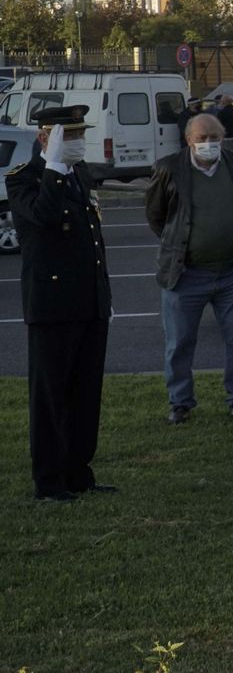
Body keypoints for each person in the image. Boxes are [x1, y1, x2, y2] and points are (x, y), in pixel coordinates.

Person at [8, 106, 115, 502]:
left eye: (80, 134)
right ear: (45, 137)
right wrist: (53, 166)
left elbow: (92, 237)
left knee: (86, 393)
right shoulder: (24, 179)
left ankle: (78, 471)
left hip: (89, 301)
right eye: (69, 135)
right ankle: (50, 480)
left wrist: (103, 294)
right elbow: (44, 217)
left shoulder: (80, 174)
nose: (78, 141)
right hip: (52, 305)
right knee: (51, 396)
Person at [145, 113, 233, 424]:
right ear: (188, 140)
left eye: (214, 138)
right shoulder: (168, 168)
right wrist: (181, 245)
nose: (209, 143)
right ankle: (180, 402)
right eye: (202, 138)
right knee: (179, 342)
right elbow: (157, 216)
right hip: (186, 274)